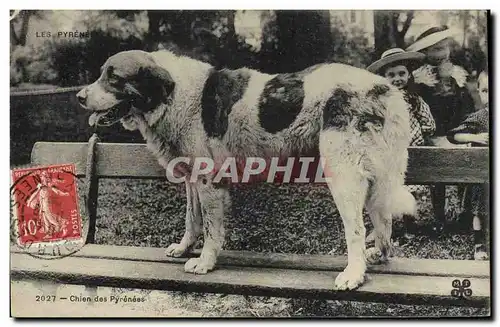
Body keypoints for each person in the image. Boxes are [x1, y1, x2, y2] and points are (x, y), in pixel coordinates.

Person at [406, 26, 476, 230]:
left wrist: (465, 128)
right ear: (426, 52)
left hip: (456, 130)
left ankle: (465, 214)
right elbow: (418, 106)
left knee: (466, 170)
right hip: (433, 132)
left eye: (444, 48)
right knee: (437, 176)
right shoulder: (418, 78)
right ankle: (439, 217)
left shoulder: (457, 74)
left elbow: (468, 104)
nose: (442, 53)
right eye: (436, 49)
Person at [366, 48, 436, 240]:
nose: (397, 79)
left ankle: (409, 226)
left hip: (412, 149)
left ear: (409, 75)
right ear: (383, 78)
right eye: (391, 75)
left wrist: (423, 131)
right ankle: (382, 226)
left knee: (409, 187)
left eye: (402, 74)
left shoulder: (415, 100)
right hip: (389, 150)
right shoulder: (380, 102)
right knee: (384, 187)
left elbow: (429, 123)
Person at [447, 71, 489, 260]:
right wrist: (475, 137)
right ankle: (479, 244)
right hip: (482, 175)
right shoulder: (480, 117)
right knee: (479, 205)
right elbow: (454, 135)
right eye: (486, 91)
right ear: (479, 92)